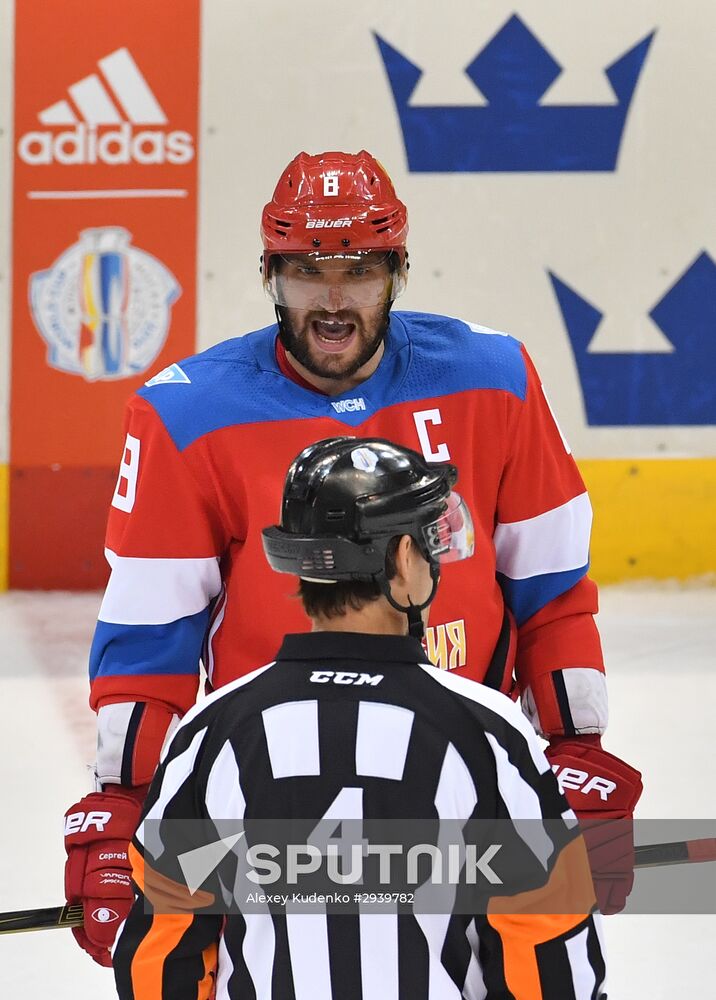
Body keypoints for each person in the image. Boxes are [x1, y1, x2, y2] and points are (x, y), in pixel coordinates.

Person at [63, 150, 641, 967]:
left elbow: (551, 591)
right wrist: (122, 801)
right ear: (270, 274)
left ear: (397, 271)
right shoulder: (183, 415)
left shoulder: (496, 378)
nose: (333, 301)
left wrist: (576, 748)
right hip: (270, 800)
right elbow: (150, 636)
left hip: (459, 781)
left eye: (359, 270)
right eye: (306, 272)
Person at [113, 437, 607, 999]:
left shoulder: (211, 733)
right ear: (401, 558)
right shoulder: (486, 732)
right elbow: (549, 949)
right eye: (429, 543)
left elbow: (162, 950)